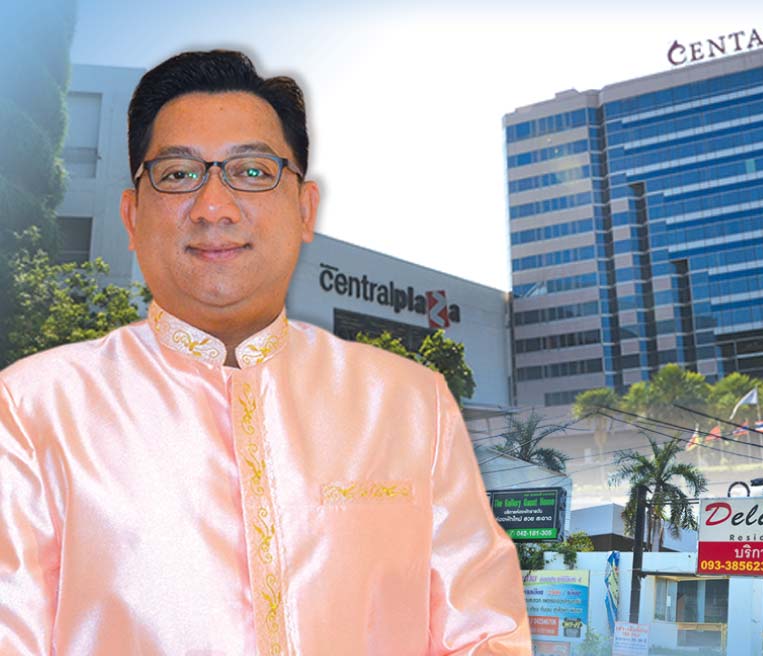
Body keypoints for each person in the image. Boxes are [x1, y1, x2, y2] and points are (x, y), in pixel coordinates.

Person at [0, 50, 532, 655]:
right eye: (178, 174)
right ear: (132, 214)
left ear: (305, 209)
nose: (214, 207)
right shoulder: (33, 408)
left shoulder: (410, 405)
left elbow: (486, 635)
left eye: (252, 171)